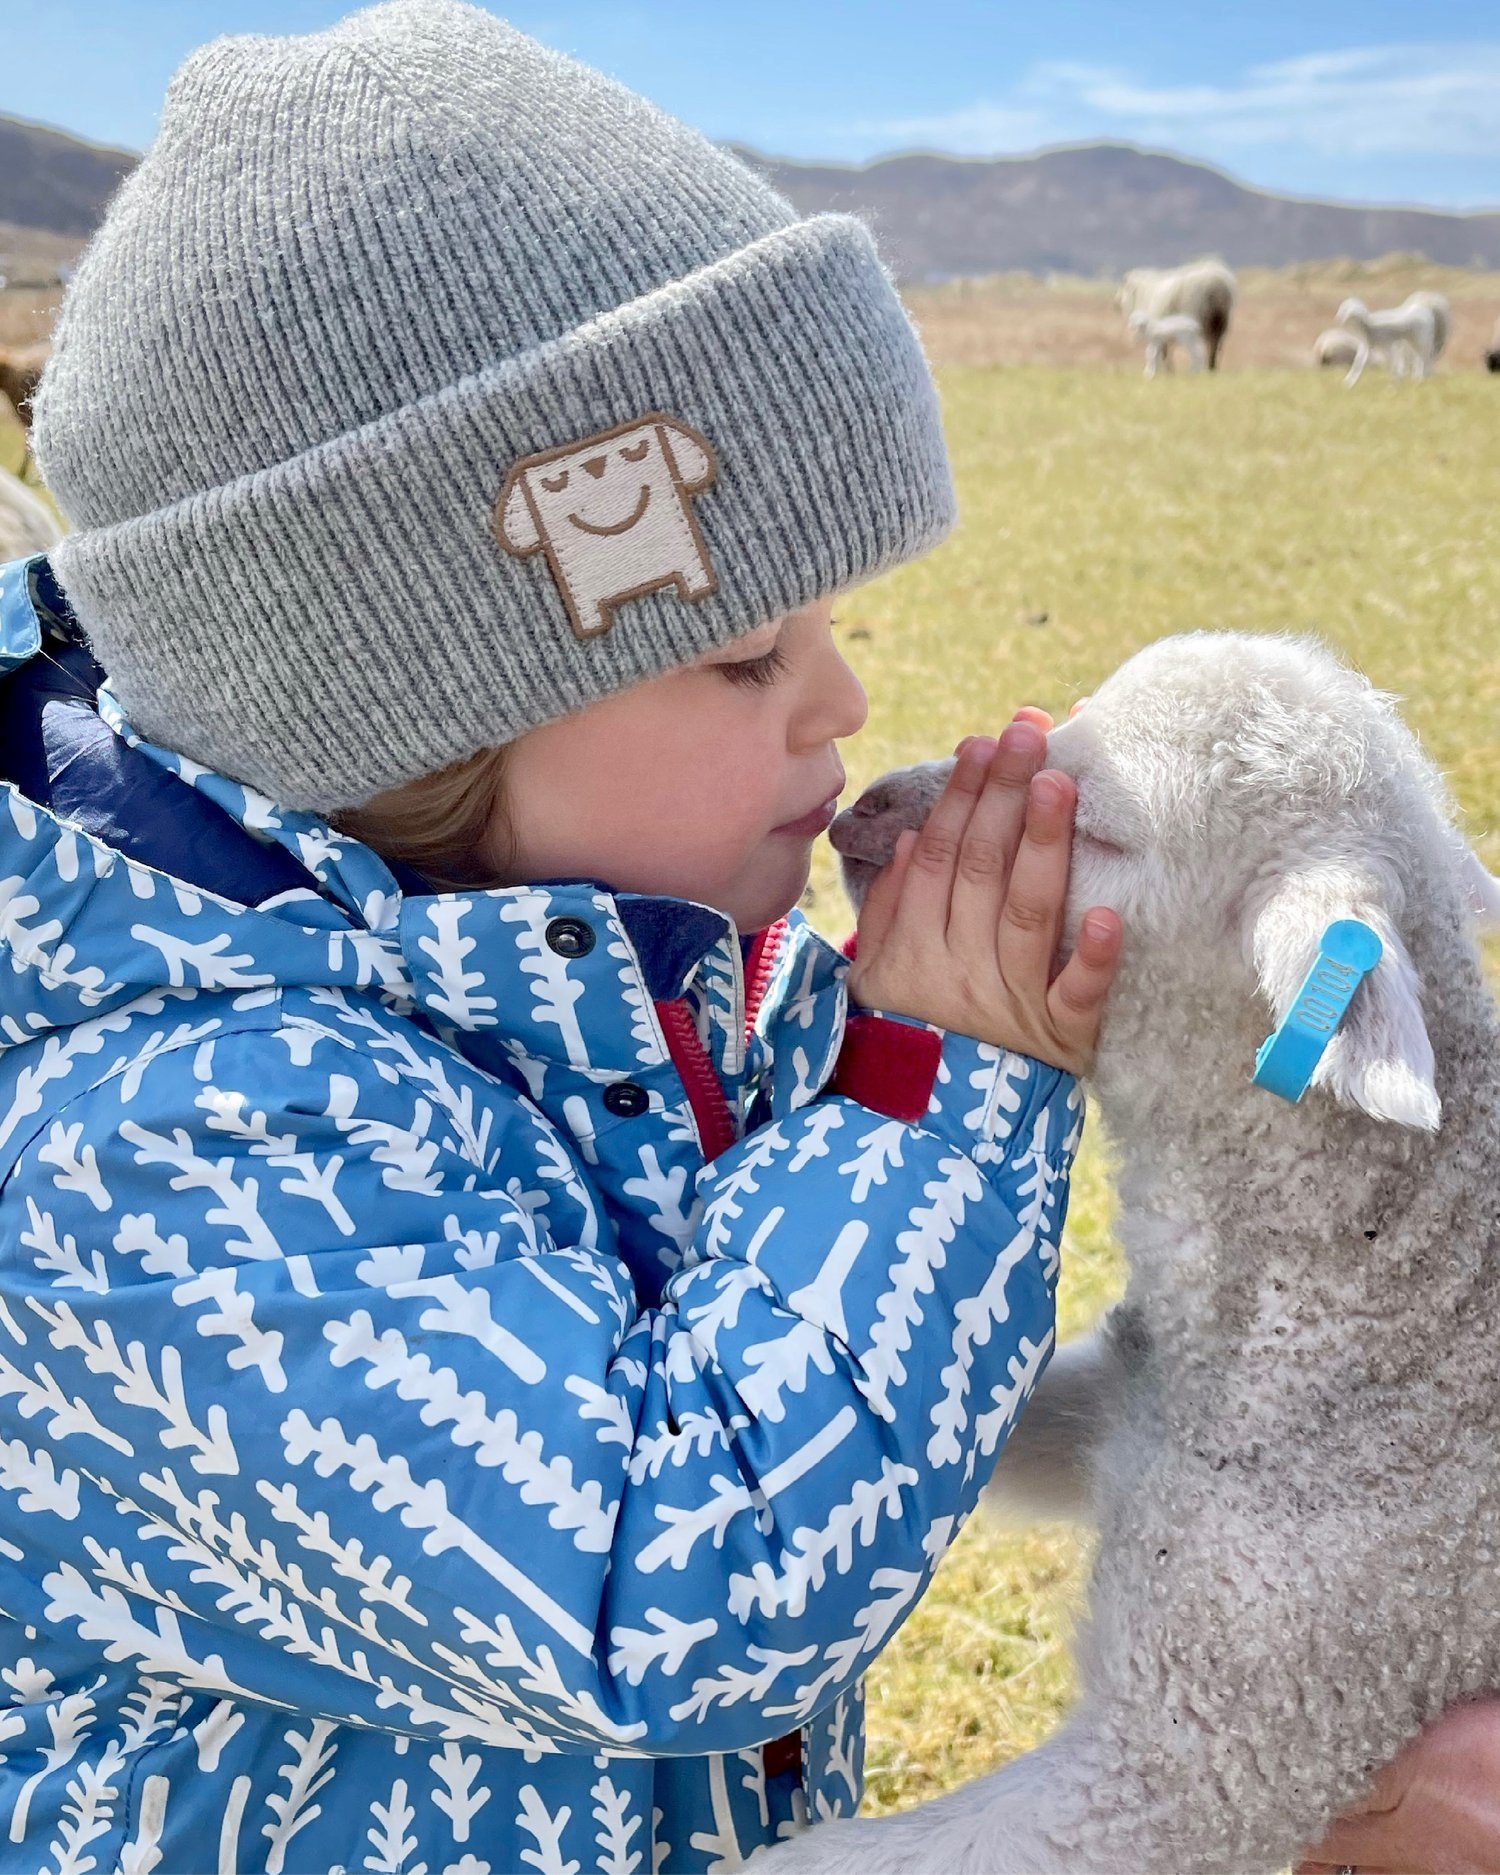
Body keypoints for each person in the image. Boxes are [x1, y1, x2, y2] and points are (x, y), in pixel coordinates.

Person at [0, 3, 1121, 1867]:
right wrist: (936, 1075)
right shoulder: (164, 1152)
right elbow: (678, 1582)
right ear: (408, 713)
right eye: (742, 650)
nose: (841, 698)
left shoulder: (582, 990)